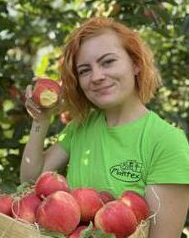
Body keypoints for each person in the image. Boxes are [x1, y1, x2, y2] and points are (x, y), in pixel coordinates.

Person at [20, 17, 189, 238]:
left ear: (135, 64)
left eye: (108, 62)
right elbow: (31, 183)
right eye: (84, 70)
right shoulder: (80, 127)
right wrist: (40, 121)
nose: (97, 76)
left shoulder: (166, 142)